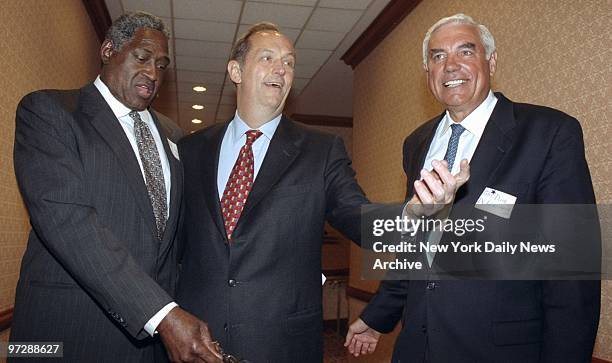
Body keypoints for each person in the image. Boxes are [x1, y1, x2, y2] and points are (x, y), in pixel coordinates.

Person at [177, 22, 468, 362]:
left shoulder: (321, 151)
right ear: (236, 71)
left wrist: (416, 213)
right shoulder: (190, 150)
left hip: (281, 346)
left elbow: (360, 220)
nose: (280, 69)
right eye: (267, 58)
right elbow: (170, 246)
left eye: (289, 62)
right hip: (195, 341)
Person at [345, 13, 600, 362]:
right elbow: (417, 250)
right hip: (418, 348)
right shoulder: (416, 144)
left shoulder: (548, 134)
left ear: (490, 61)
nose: (450, 65)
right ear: (428, 73)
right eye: (438, 56)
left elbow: (572, 273)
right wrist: (377, 317)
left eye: (466, 51)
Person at [10, 11, 221, 363]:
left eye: (162, 65)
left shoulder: (174, 136)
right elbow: (68, 222)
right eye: (142, 57)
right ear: (109, 50)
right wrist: (162, 315)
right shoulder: (50, 112)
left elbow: (181, 237)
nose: (153, 73)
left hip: (153, 347)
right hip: (69, 334)